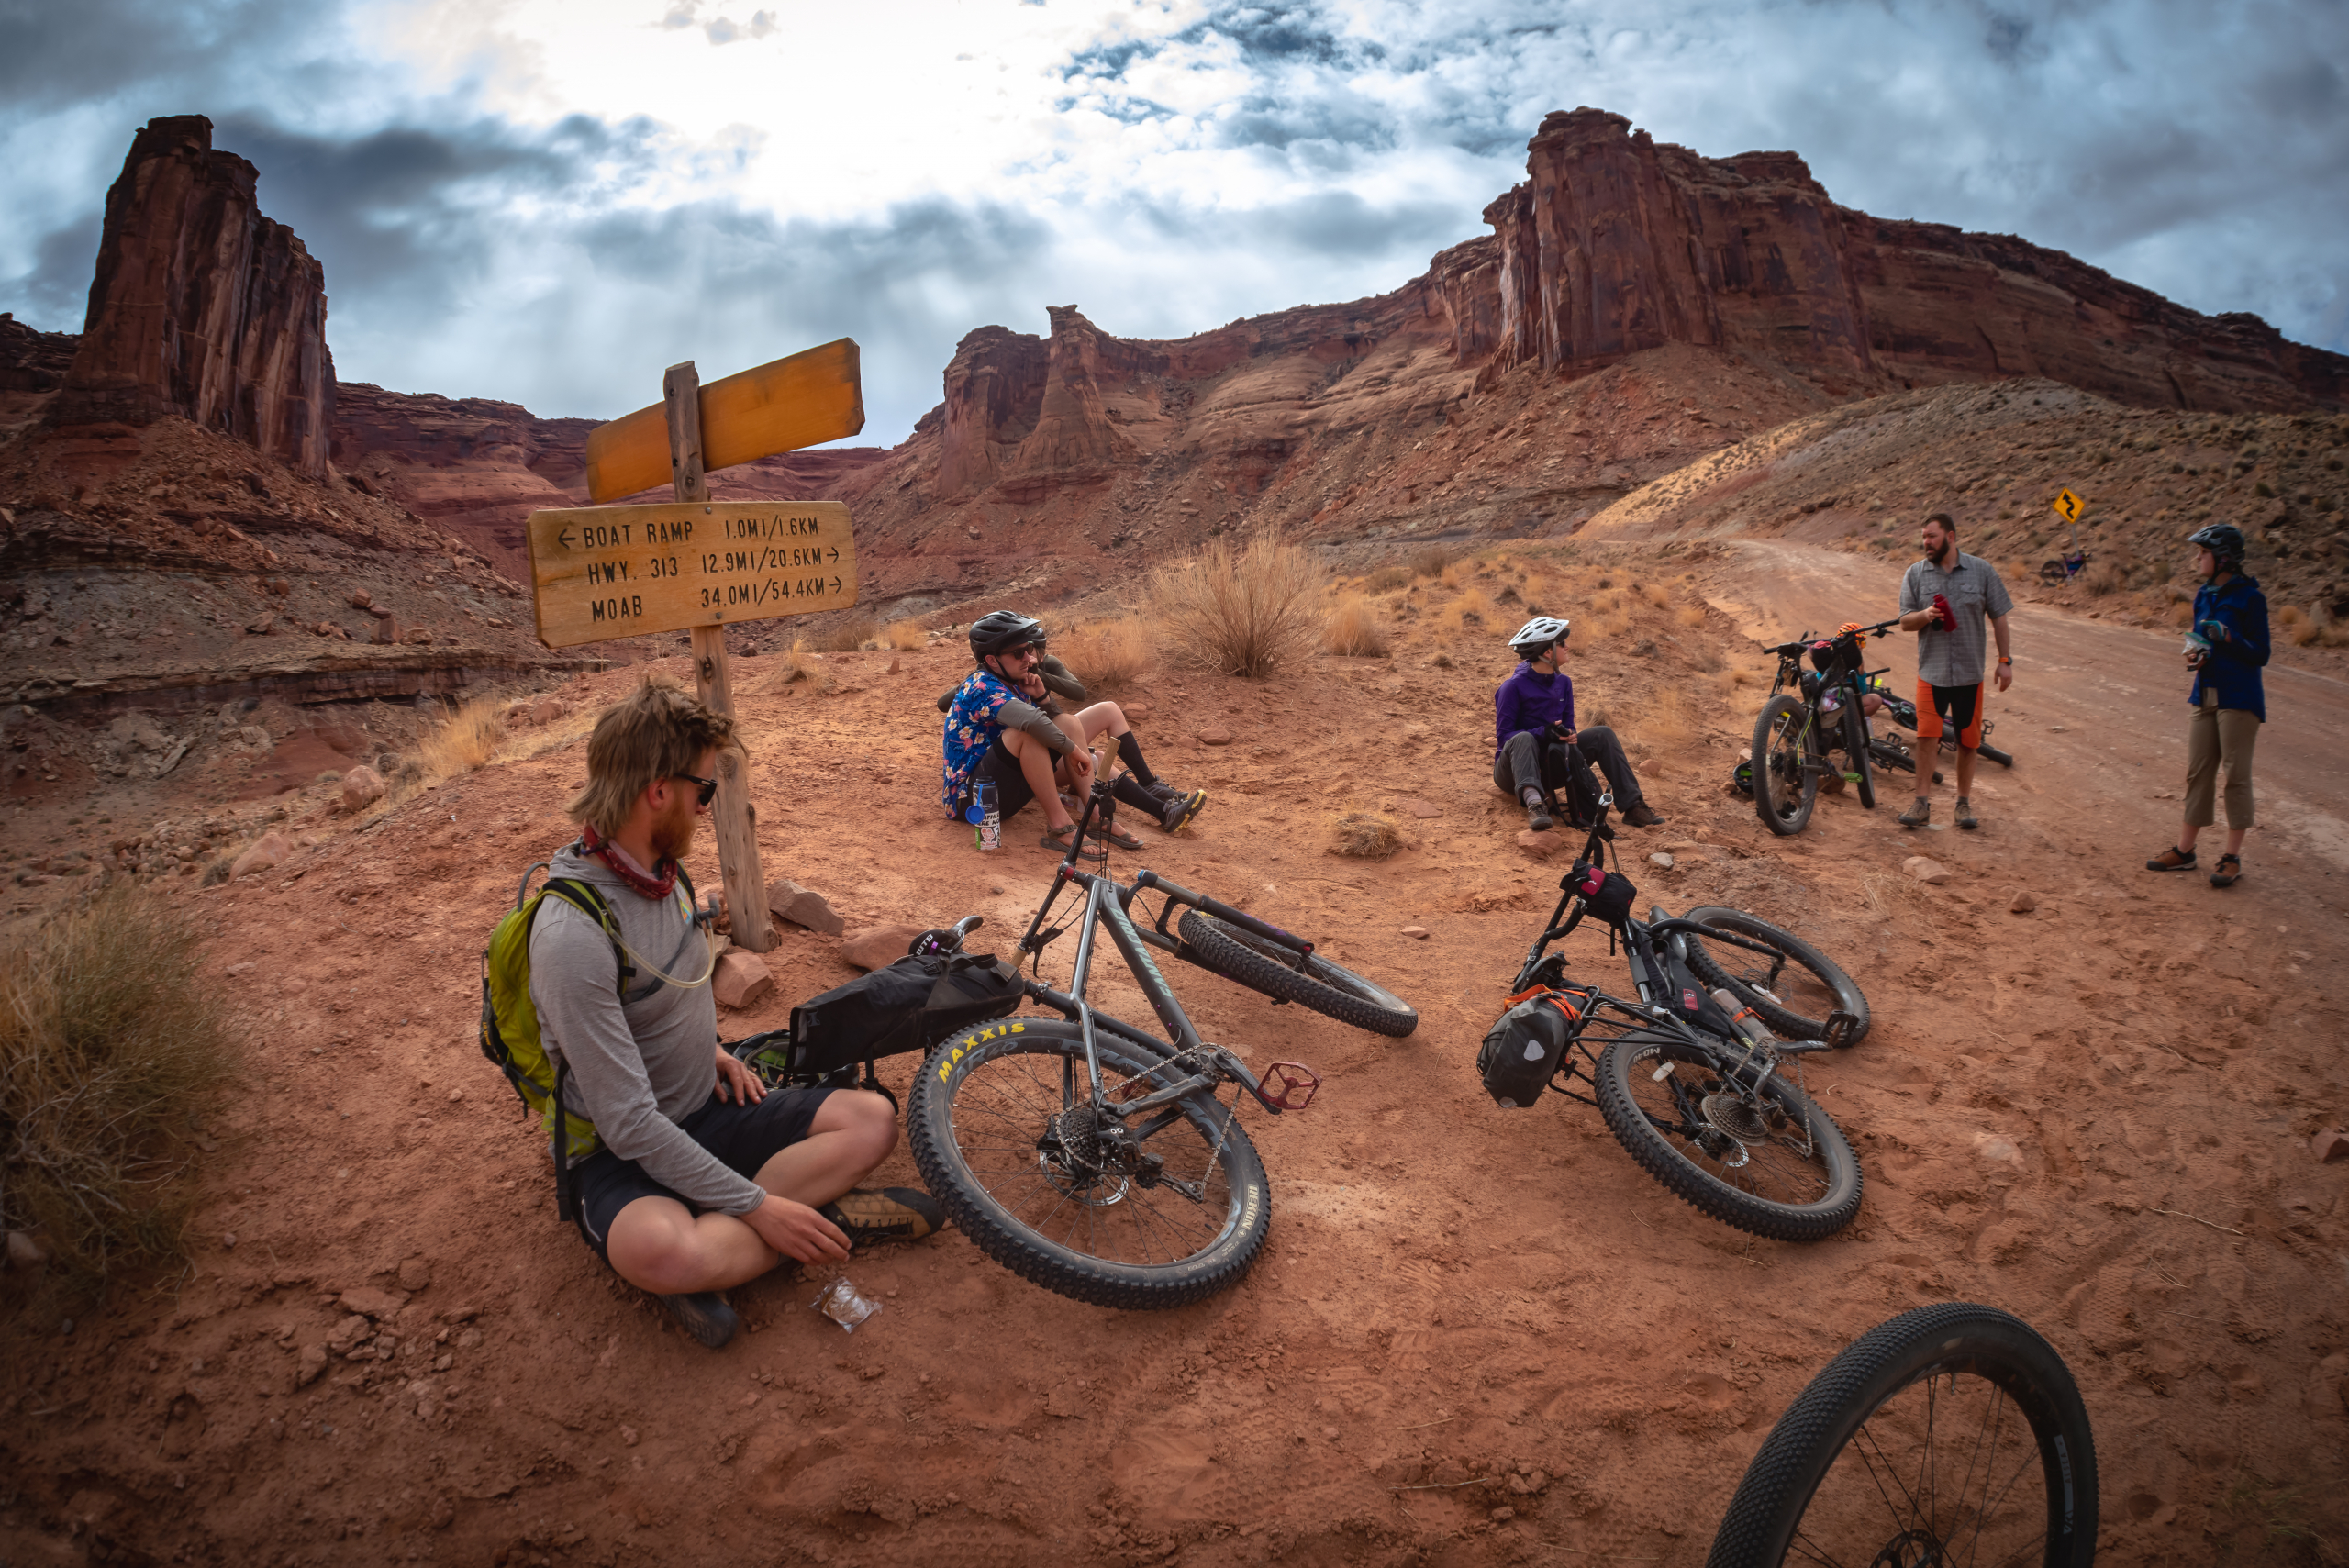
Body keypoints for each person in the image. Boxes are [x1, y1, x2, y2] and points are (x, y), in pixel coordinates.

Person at [532, 681, 941, 1350]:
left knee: (871, 1121)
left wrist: (715, 1050)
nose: (706, 807)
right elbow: (628, 1123)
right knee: (659, 1250)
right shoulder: (571, 936)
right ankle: (810, 1222)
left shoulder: (664, 871)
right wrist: (760, 1205)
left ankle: (736, 1245)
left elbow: (675, 993)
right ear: (657, 791)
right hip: (620, 1152)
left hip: (704, 1107)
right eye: (703, 790)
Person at [941, 610, 1205, 851]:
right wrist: (1072, 750)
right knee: (1029, 734)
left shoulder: (1016, 683)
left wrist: (1043, 698)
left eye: (1029, 649)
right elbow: (1032, 723)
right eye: (1018, 653)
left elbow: (1059, 723)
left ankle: (1098, 816)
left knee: (1074, 730)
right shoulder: (981, 686)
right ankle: (1060, 826)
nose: (1029, 658)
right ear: (991, 659)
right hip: (974, 800)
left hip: (1009, 785)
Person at [2145, 523, 2269, 888]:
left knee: (2236, 776)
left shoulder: (2250, 598)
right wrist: (2195, 654)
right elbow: (2200, 639)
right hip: (2204, 694)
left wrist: (2230, 637)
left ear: (2223, 558)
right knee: (2198, 772)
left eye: (2203, 553)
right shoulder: (2203, 595)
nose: (2197, 558)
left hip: (2239, 697)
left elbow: (2261, 653)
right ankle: (2185, 851)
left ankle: (2231, 858)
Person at [1492, 616, 1666, 831]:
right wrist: (1544, 732)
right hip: (1513, 772)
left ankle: (1633, 807)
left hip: (1550, 767)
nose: (1568, 647)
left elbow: (1569, 724)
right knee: (1523, 738)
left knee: (1603, 734)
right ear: (1548, 652)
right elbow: (1505, 738)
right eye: (1562, 643)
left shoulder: (1564, 683)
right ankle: (1535, 805)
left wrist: (1569, 735)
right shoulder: (1511, 687)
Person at [1895, 513, 2013, 830]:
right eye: (1924, 536)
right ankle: (1921, 804)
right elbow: (1904, 621)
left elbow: (2000, 617)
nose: (1926, 542)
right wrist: (1925, 615)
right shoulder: (1915, 574)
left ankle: (1963, 804)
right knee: (1926, 738)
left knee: (1968, 742)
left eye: (1932, 536)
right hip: (1931, 673)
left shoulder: (1982, 570)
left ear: (1950, 537)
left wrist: (2005, 660)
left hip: (1969, 675)